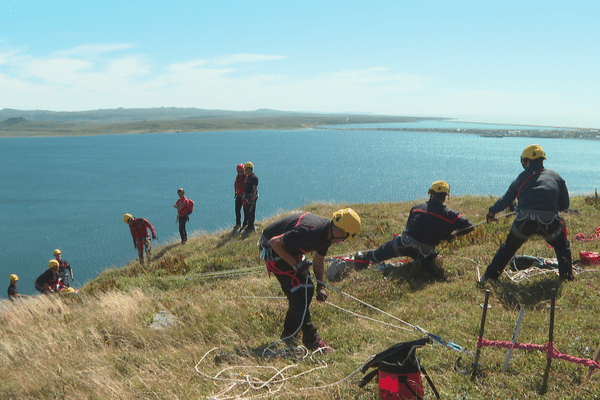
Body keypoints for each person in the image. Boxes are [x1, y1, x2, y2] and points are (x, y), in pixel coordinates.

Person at [259, 208, 361, 351]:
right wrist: (295, 264)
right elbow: (275, 242)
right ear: (339, 231)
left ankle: (289, 332)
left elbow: (318, 261)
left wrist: (320, 286)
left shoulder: (327, 234)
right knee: (298, 290)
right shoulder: (312, 232)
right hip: (271, 247)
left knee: (309, 289)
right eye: (345, 237)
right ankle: (311, 339)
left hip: (287, 248)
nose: (343, 241)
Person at [480, 144, 574, 282]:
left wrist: (491, 212)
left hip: (524, 220)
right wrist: (550, 208)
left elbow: (506, 200)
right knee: (562, 246)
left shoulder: (521, 178)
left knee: (509, 247)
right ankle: (566, 278)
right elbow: (565, 205)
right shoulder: (556, 177)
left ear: (527, 161)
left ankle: (489, 277)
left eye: (524, 161)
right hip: (549, 221)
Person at [355, 181, 473, 276]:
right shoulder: (450, 215)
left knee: (383, 250)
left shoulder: (417, 208)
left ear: (430, 193)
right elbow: (469, 226)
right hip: (425, 252)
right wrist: (453, 235)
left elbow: (408, 228)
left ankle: (364, 260)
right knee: (429, 260)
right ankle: (423, 271)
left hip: (405, 243)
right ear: (445, 197)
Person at [241, 161, 259, 235]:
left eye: (246, 169)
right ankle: (250, 226)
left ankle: (250, 228)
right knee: (247, 212)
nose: (245, 171)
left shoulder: (254, 178)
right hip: (247, 197)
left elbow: (254, 189)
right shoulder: (248, 177)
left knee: (251, 212)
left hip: (251, 198)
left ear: (249, 169)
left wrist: (252, 199)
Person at [233, 164, 246, 231]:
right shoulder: (238, 176)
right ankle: (238, 224)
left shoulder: (246, 177)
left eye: (241, 171)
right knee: (237, 210)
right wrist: (236, 192)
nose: (240, 173)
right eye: (238, 171)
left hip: (244, 197)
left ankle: (245, 225)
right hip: (239, 195)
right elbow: (235, 183)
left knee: (245, 211)